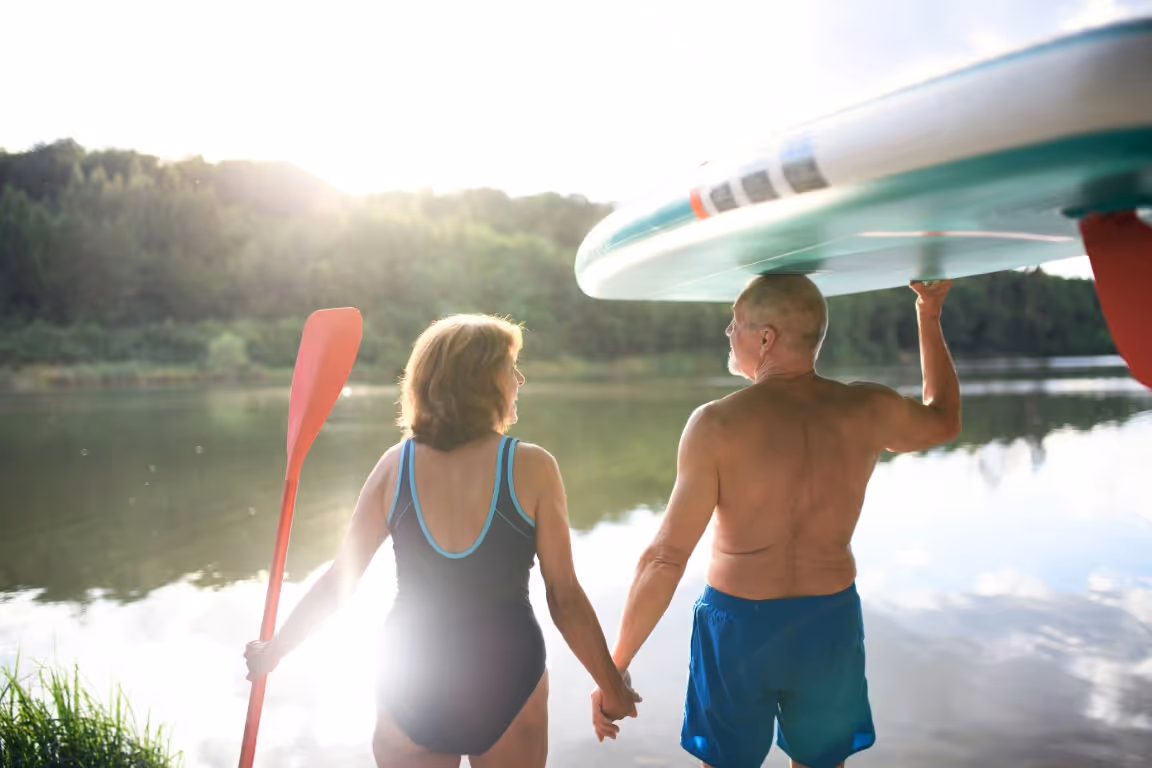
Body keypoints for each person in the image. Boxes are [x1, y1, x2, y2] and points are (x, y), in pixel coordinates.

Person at [592, 277, 961, 768]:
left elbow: (665, 557)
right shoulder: (868, 408)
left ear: (766, 337)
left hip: (739, 626)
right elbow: (944, 417)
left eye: (736, 322)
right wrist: (929, 313)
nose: (727, 331)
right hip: (828, 621)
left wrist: (615, 669)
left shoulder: (716, 424)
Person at [245, 314, 639, 768]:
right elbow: (563, 597)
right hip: (507, 674)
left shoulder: (394, 467)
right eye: (510, 367)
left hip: (411, 679)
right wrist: (612, 688)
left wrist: (276, 650)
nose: (519, 379)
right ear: (482, 382)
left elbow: (341, 582)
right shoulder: (532, 467)